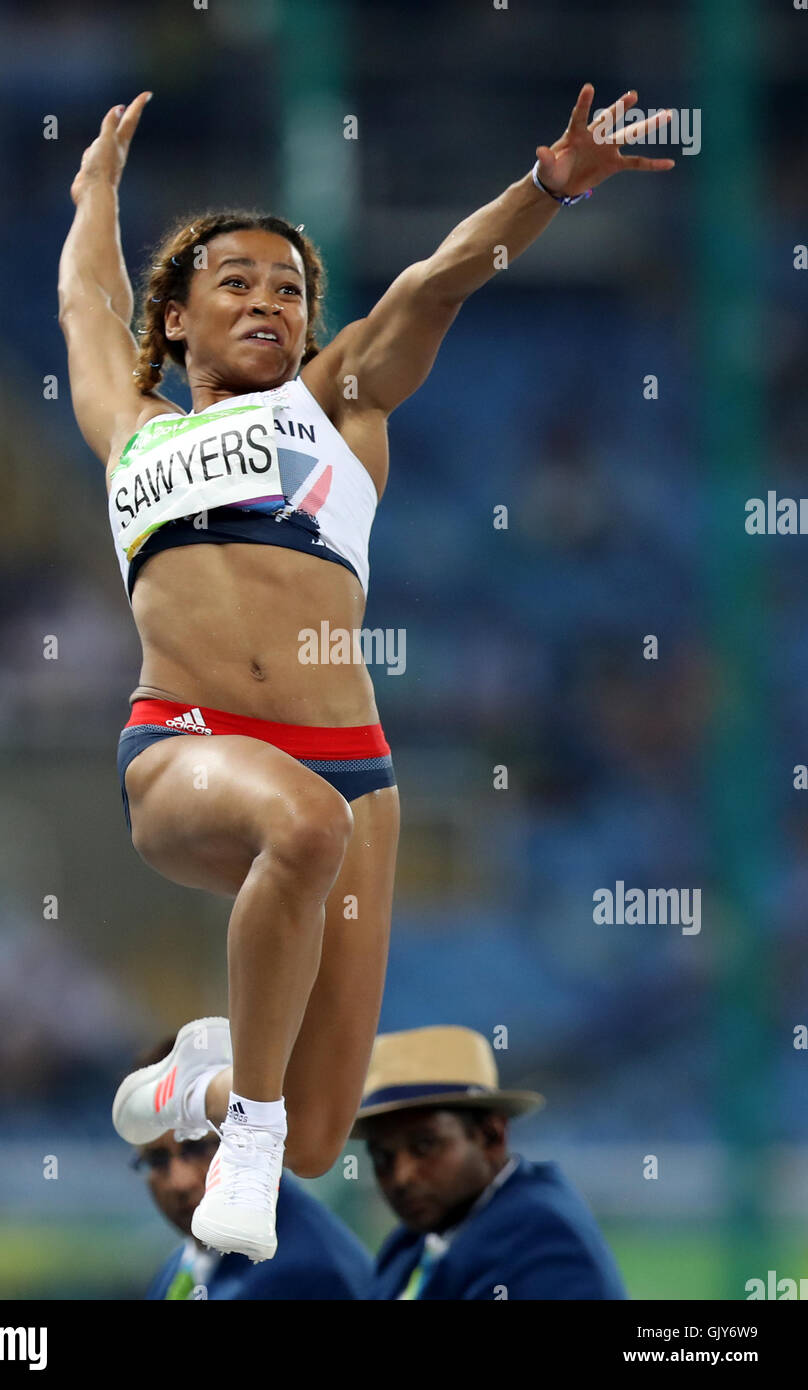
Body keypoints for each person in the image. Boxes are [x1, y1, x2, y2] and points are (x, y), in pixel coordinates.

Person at [57, 84, 674, 1264]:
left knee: (319, 1133)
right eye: (236, 280)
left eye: (289, 287)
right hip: (183, 744)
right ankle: (245, 1116)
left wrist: (545, 189)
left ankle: (226, 1081)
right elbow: (86, 303)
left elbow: (435, 280)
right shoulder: (131, 430)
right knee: (296, 828)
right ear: (177, 318)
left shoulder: (336, 401)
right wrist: (95, 193)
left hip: (354, 769)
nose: (270, 301)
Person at [354, 1026, 627, 1299]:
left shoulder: (540, 1239)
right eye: (382, 1157)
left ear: (491, 1135)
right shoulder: (414, 1239)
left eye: (425, 1146)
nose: (402, 1176)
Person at [130, 1037, 371, 1299]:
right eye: (157, 1160)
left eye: (200, 1148)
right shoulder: (184, 1263)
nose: (180, 1182)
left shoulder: (303, 1275)